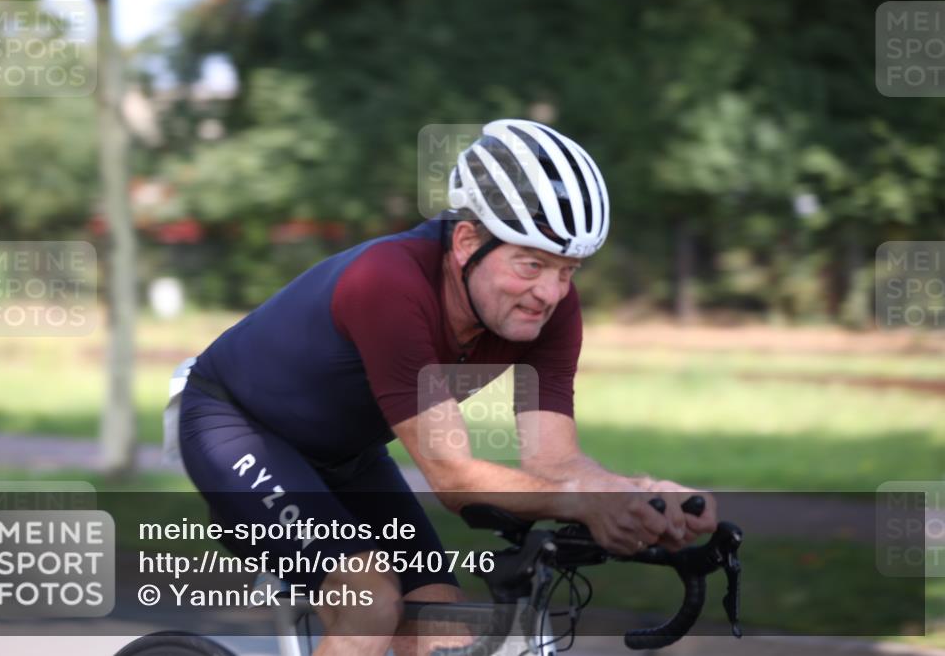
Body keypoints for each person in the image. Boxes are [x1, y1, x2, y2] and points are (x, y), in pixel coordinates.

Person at [176, 119, 718, 655]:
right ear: (465, 241)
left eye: (568, 270)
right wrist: (586, 503)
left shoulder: (549, 312)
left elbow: (555, 462)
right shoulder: (388, 285)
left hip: (348, 456)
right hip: (236, 427)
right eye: (531, 264)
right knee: (369, 605)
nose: (549, 293)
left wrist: (638, 494)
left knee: (441, 628)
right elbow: (452, 476)